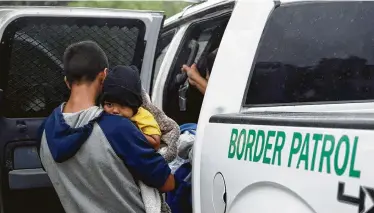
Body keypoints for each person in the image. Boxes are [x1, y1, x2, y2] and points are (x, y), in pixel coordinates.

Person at [37, 40, 175, 213]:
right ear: (104, 76)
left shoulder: (44, 132)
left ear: (67, 82)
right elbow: (168, 183)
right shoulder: (118, 128)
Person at [101, 65, 161, 150]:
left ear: (135, 106)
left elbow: (156, 143)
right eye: (109, 104)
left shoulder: (142, 116)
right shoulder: (101, 115)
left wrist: (129, 130)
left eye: (123, 105)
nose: (115, 110)